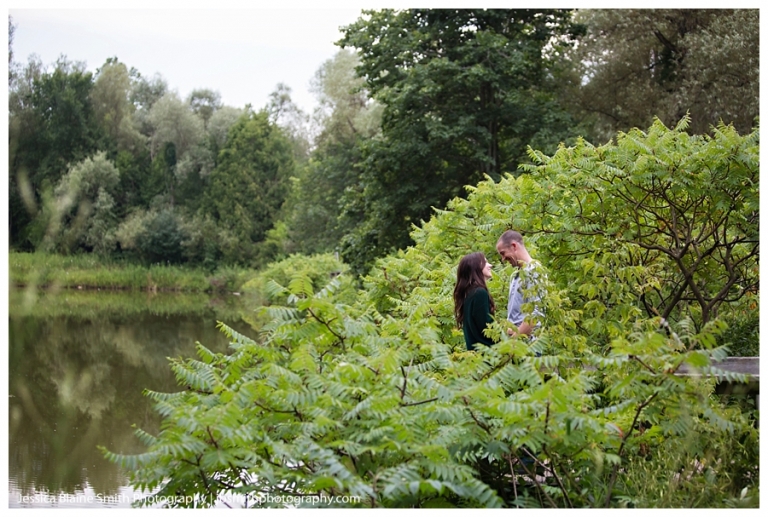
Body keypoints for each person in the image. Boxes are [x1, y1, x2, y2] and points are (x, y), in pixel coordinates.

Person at [496, 230, 544, 339]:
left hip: (529, 343)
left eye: (503, 253)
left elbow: (536, 314)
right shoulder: (516, 274)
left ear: (514, 246)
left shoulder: (534, 270)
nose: (503, 259)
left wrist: (514, 340)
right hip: (517, 342)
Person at [453, 252, 496, 350]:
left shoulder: (469, 293)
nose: (490, 265)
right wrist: (507, 333)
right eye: (485, 262)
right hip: (487, 353)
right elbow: (487, 327)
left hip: (474, 354)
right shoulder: (479, 293)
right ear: (476, 267)